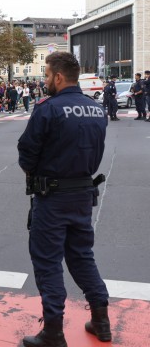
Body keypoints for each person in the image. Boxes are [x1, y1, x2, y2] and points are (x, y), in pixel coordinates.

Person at [17, 52, 110, 347]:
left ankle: (54, 332)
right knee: (82, 257)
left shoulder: (49, 108)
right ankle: (101, 320)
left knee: (47, 262)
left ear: (58, 77)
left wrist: (35, 172)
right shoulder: (96, 109)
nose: (45, 81)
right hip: (83, 194)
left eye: (46, 75)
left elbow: (27, 154)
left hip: (53, 196)